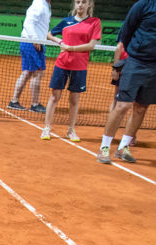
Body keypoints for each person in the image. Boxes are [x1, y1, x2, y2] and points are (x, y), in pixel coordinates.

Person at [97, 0, 156, 164]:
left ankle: (123, 147)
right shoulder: (144, 4)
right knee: (122, 104)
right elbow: (126, 32)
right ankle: (104, 147)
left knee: (141, 107)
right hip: (136, 61)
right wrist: (118, 65)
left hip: (155, 67)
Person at [40, 0, 101, 142]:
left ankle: (71, 130)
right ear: (75, 4)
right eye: (78, 2)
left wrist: (71, 48)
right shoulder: (66, 21)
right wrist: (60, 42)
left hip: (80, 66)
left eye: (83, 2)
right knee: (54, 96)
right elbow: (49, 34)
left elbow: (92, 45)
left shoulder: (94, 22)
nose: (80, 5)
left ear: (88, 5)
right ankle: (47, 128)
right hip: (62, 64)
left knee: (74, 99)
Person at [8, 0, 52, 113]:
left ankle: (14, 101)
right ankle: (35, 104)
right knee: (38, 72)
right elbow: (28, 23)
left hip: (33, 42)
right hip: (32, 43)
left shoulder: (44, 5)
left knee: (27, 72)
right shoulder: (39, 5)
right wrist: (34, 39)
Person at [107, 41, 139, 147]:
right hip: (123, 69)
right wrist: (116, 68)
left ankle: (131, 134)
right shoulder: (129, 28)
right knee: (117, 100)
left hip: (139, 69)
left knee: (137, 104)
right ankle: (111, 130)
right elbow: (118, 48)